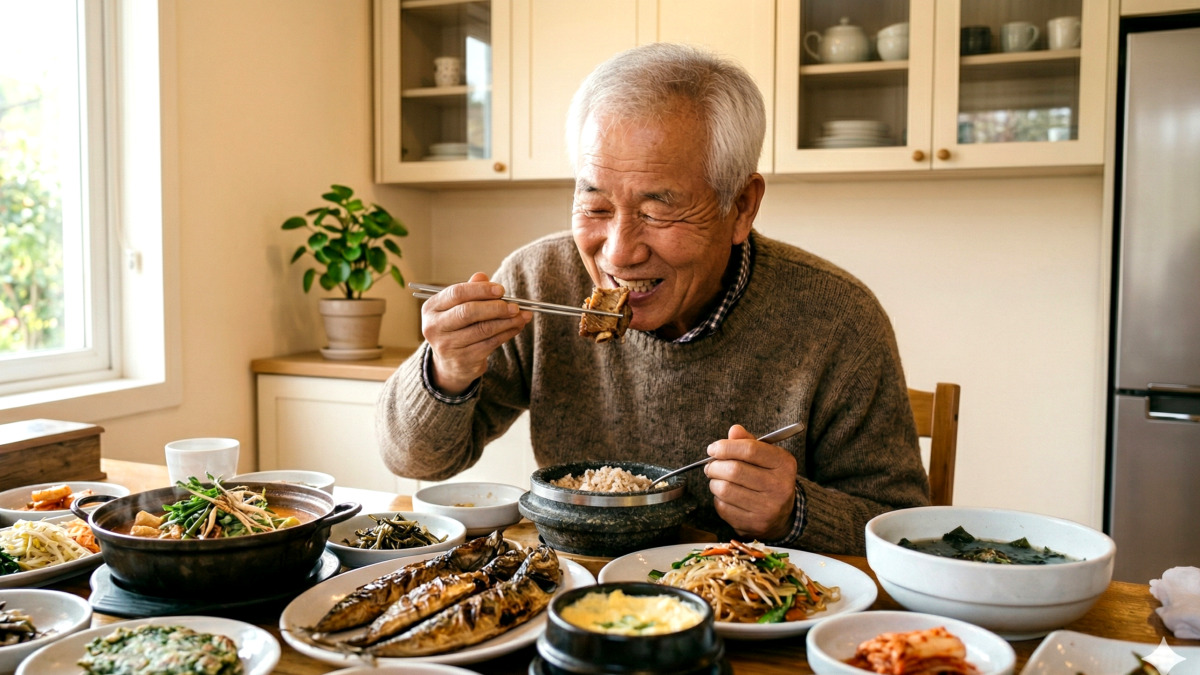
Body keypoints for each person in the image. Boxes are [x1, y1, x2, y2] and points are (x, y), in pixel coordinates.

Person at [376, 42, 929, 555]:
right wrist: (445, 370)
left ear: (740, 207)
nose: (618, 254)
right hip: (574, 589)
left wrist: (793, 512)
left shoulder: (836, 317)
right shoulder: (538, 279)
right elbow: (415, 458)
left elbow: (903, 527)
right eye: (594, 206)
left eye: (658, 210)